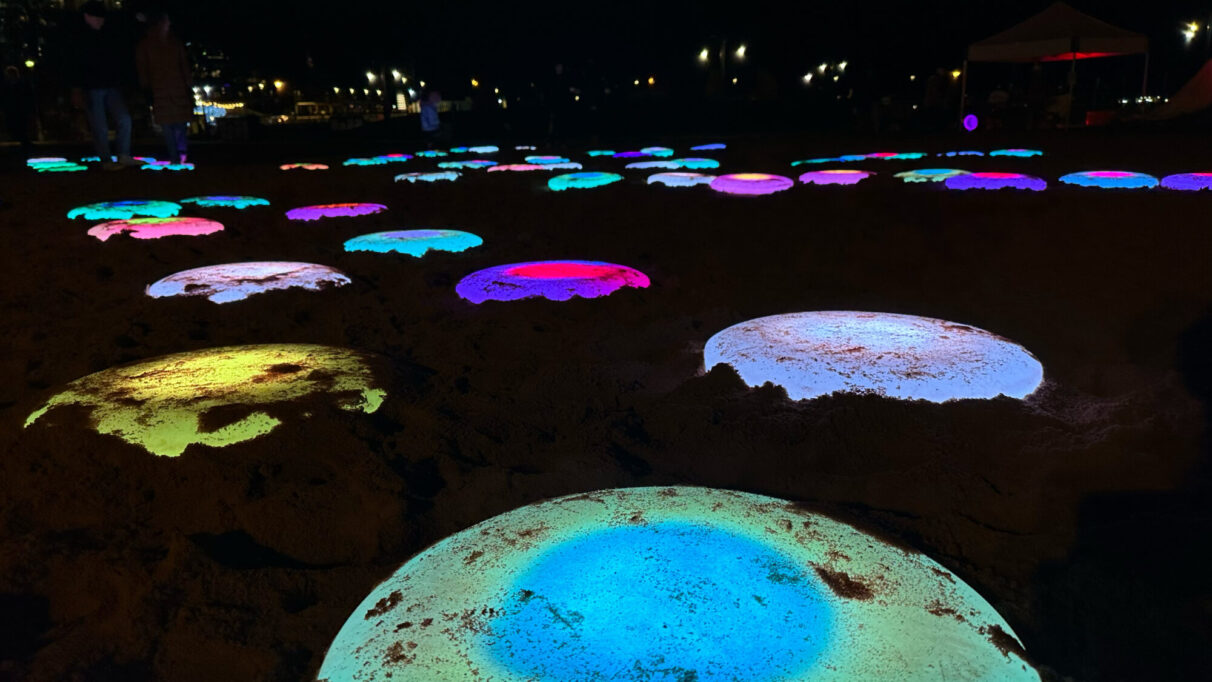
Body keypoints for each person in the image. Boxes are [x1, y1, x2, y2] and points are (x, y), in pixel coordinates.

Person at [66, 1, 139, 170]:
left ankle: (122, 154)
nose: (101, 21)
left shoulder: (103, 35)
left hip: (109, 84)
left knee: (123, 119)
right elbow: (74, 65)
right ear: (87, 17)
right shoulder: (80, 38)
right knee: (100, 125)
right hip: (93, 87)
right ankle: (107, 158)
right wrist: (76, 88)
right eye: (97, 18)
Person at [136, 12, 193, 164]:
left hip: (161, 88)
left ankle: (176, 155)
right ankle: (179, 154)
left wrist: (146, 87)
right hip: (173, 87)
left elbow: (143, 67)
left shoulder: (148, 43)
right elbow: (184, 64)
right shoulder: (172, 42)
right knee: (177, 124)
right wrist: (188, 83)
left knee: (169, 125)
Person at [1, 65, 36, 155]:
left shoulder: (20, 84)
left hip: (19, 109)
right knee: (16, 126)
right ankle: (23, 141)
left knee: (20, 126)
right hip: (14, 109)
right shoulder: (9, 85)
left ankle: (23, 142)